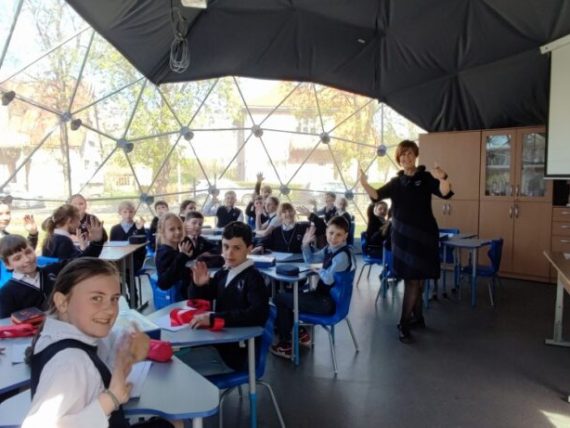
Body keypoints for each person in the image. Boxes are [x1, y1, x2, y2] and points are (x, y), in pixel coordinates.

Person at [22, 258, 181, 428]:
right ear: (62, 302)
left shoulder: (60, 331)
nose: (110, 309)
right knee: (176, 423)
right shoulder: (70, 362)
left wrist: (133, 344)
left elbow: (111, 340)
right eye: (96, 298)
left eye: (114, 299)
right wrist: (111, 398)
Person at [359, 140, 453, 343]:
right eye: (402, 155)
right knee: (412, 279)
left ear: (415, 155)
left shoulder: (425, 177)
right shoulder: (396, 182)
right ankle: (405, 322)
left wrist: (443, 177)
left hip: (424, 236)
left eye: (410, 154)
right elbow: (376, 195)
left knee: (419, 279)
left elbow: (445, 192)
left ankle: (416, 318)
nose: (406, 158)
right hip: (402, 237)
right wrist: (364, 183)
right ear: (398, 159)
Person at [270, 216, 356, 359]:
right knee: (290, 297)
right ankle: (300, 333)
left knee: (280, 299)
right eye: (331, 233)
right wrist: (305, 244)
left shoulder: (341, 256)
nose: (333, 238)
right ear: (326, 232)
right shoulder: (330, 249)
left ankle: (286, 344)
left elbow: (328, 279)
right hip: (323, 298)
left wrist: (319, 270)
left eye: (339, 235)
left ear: (345, 236)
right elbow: (311, 259)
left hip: (328, 303)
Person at [189, 221, 270, 370]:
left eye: (236, 248)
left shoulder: (254, 278)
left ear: (249, 249)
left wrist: (214, 319)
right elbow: (201, 300)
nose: (229, 253)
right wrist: (199, 286)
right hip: (218, 342)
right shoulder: (224, 272)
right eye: (225, 246)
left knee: (178, 368)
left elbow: (258, 314)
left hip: (236, 354)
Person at [0, 235, 73, 317]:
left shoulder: (52, 271)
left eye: (28, 252)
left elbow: (78, 263)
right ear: (8, 265)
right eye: (18, 258)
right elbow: (7, 322)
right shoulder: (6, 293)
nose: (27, 259)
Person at [155, 213, 194, 300]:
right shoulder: (165, 252)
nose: (178, 232)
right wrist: (182, 256)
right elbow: (164, 283)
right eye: (172, 229)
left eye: (179, 228)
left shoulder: (175, 250)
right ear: (163, 232)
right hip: (175, 300)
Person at [109, 201, 146, 273]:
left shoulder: (138, 226)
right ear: (120, 212)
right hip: (119, 258)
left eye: (131, 212)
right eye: (125, 212)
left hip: (135, 258)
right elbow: (112, 247)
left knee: (127, 270)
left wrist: (139, 230)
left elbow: (142, 246)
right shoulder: (115, 229)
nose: (128, 215)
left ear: (134, 213)